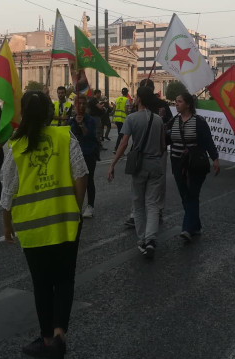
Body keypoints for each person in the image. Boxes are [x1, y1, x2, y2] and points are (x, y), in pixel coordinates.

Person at [1, 91, 87, 359]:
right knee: (64, 280)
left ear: (23, 112)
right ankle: (60, 334)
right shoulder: (65, 136)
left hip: (32, 227)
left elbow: (8, 191)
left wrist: (7, 226)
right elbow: (80, 175)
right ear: (50, 112)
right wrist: (75, 207)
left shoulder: (15, 144)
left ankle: (47, 338)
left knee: (41, 284)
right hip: (65, 222)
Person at [108, 86, 165, 256]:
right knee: (153, 204)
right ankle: (151, 239)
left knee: (138, 205)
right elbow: (163, 145)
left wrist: (113, 164)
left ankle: (142, 240)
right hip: (156, 164)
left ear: (139, 99)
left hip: (140, 166)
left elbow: (124, 144)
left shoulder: (131, 118)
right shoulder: (158, 119)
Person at [166, 91, 220, 242]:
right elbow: (167, 138)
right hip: (177, 163)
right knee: (184, 194)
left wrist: (215, 159)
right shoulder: (173, 120)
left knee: (192, 194)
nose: (176, 104)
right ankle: (195, 225)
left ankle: (187, 228)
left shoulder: (199, 121)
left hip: (195, 164)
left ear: (188, 105)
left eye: (179, 101)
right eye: (176, 101)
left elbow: (208, 141)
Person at [70, 95, 98, 218]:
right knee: (74, 181)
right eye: (78, 104)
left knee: (88, 180)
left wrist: (81, 125)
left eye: (83, 104)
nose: (81, 106)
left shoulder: (90, 120)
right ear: (75, 105)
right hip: (74, 155)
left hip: (88, 153)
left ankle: (90, 205)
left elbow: (89, 136)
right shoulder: (71, 120)